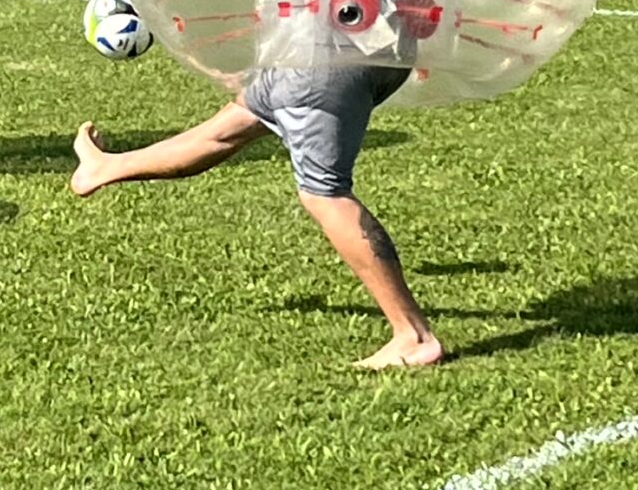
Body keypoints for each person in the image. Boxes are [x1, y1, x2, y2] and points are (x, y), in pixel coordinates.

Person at [71, 63, 444, 370]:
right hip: (380, 53)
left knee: (325, 192)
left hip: (320, 62)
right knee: (231, 126)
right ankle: (103, 167)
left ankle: (413, 335)